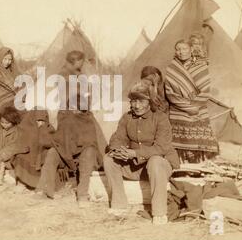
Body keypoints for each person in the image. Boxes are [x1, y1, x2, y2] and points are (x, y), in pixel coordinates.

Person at [103, 81, 179, 224]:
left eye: (141, 101)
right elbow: (116, 138)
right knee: (109, 158)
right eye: (133, 101)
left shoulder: (161, 118)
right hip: (136, 168)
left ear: (150, 102)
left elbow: (161, 148)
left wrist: (134, 154)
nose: (136, 106)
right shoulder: (127, 117)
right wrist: (119, 151)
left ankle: (159, 213)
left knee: (155, 161)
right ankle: (119, 205)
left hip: (159, 167)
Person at [35, 94, 102, 207]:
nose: (74, 111)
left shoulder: (88, 119)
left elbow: (93, 142)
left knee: (89, 153)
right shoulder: (65, 118)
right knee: (52, 152)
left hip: (83, 153)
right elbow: (60, 140)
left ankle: (82, 195)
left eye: (77, 108)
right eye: (71, 108)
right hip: (66, 152)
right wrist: (64, 151)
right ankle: (46, 190)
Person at [165, 39, 219, 163]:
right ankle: (181, 167)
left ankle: (199, 167)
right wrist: (185, 106)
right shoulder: (172, 68)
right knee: (179, 144)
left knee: (198, 143)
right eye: (178, 49)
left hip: (198, 110)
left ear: (190, 50)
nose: (181, 52)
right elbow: (169, 92)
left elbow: (205, 91)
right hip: (177, 110)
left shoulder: (201, 67)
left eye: (184, 49)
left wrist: (193, 107)